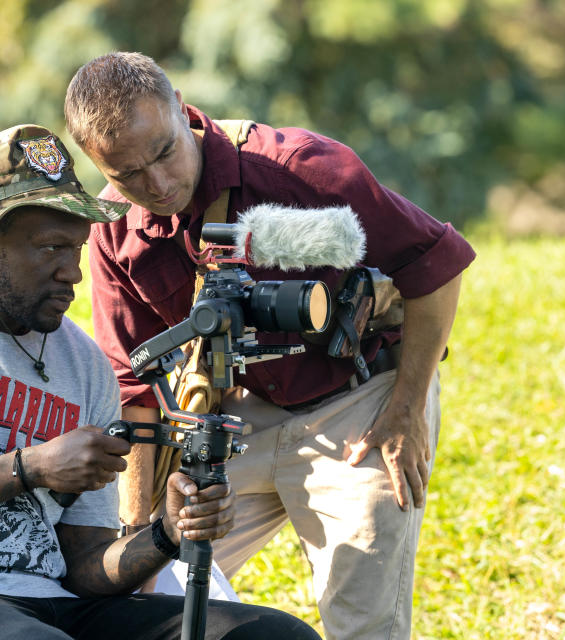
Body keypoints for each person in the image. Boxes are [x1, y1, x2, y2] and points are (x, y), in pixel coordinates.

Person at [0, 124, 320, 640]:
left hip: (60, 608)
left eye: (75, 249)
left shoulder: (85, 365)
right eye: (50, 248)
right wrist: (29, 468)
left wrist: (166, 530)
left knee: (273, 635)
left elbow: (88, 569)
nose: (72, 272)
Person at [64, 53, 477, 640]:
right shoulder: (113, 228)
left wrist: (408, 407)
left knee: (363, 618)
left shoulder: (302, 170)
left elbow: (436, 264)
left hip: (357, 402)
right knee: (156, 593)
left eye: (163, 152)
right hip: (234, 413)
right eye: (127, 175)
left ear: (183, 112)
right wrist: (136, 529)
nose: (156, 185)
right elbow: (133, 382)